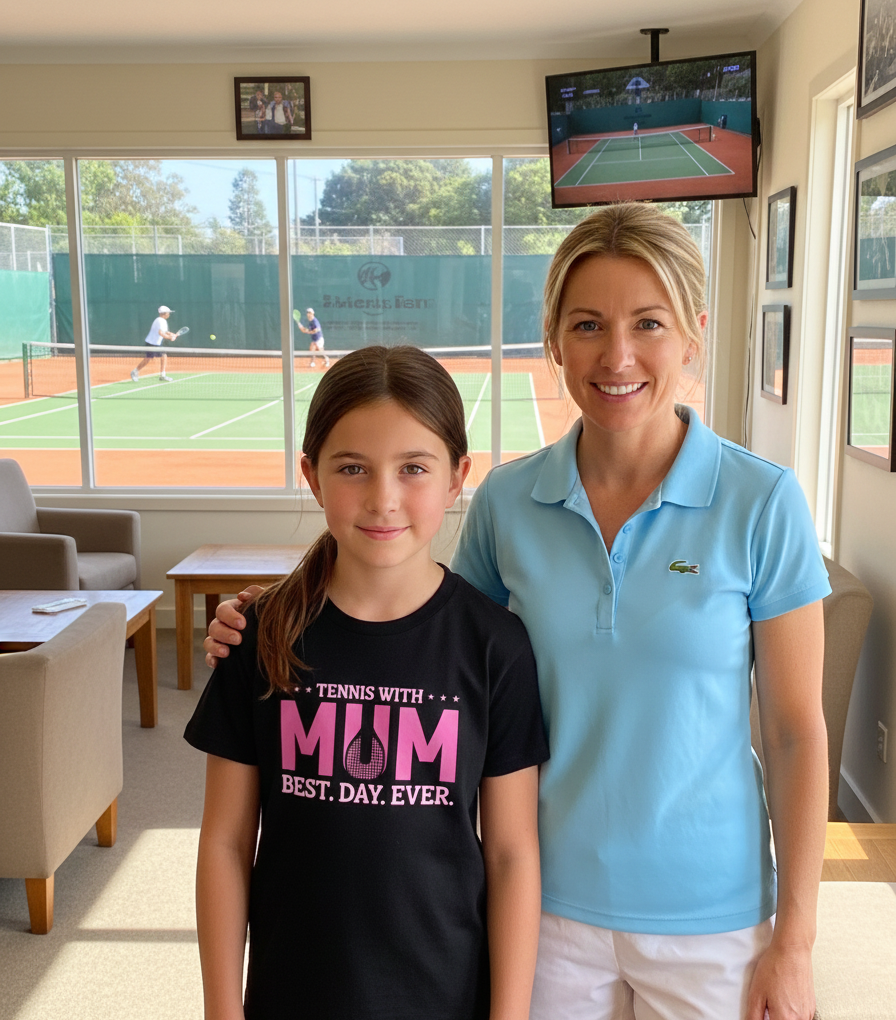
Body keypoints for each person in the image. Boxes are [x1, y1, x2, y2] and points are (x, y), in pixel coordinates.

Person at [205, 204, 830, 1020]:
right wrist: (279, 610)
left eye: (649, 323)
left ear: (693, 333)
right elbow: (421, 623)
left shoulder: (763, 501)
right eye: (587, 324)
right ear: (554, 338)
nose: (617, 355)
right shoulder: (507, 500)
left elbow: (794, 731)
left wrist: (797, 940)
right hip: (544, 905)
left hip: (711, 914)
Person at [186, 345, 548, 1020]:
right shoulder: (261, 636)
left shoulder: (495, 645)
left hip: (445, 993)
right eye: (352, 468)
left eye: (414, 468)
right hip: (292, 994)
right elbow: (226, 842)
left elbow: (510, 852)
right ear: (313, 477)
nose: (383, 498)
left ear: (457, 477)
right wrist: (220, 1010)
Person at [131, 304, 175, 383]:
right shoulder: (160, 321)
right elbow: (161, 333)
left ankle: (162, 375)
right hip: (151, 343)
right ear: (164, 313)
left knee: (164, 356)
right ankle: (135, 372)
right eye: (168, 313)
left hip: (156, 343)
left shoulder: (161, 320)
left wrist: (171, 334)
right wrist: (170, 338)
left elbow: (165, 331)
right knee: (148, 359)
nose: (169, 314)